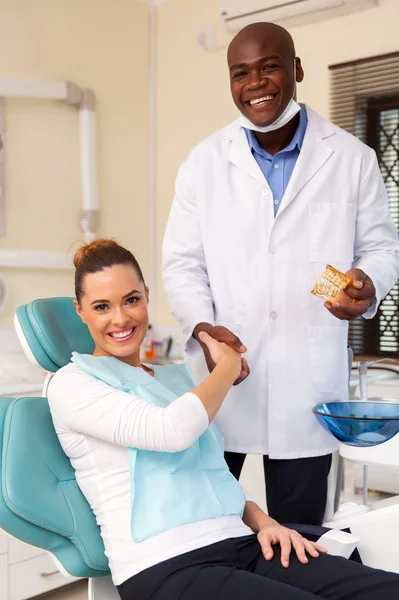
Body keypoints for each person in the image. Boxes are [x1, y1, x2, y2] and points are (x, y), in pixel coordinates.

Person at [46, 238, 399, 600]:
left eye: (131, 300)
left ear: (147, 296)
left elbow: (210, 472)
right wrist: (227, 367)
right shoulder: (72, 384)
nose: (120, 318)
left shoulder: (176, 378)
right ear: (80, 311)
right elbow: (170, 431)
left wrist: (265, 522)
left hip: (241, 544)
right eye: (102, 306)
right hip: (167, 565)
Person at [162, 22, 399, 525]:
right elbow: (183, 263)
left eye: (269, 67)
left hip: (305, 382)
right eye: (240, 73)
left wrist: (368, 282)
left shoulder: (353, 159)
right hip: (225, 378)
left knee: (302, 532)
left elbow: (381, 246)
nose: (255, 83)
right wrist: (203, 329)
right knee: (210, 525)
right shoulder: (204, 163)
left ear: (296, 69)